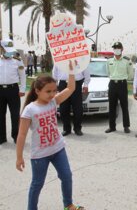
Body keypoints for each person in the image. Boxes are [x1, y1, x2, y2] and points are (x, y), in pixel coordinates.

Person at [16, 62, 85, 210]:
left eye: (54, 91)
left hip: (58, 149)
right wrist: (19, 157)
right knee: (37, 184)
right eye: (48, 91)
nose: (52, 94)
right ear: (37, 91)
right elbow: (21, 135)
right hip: (40, 155)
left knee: (66, 176)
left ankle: (68, 205)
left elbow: (71, 88)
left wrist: (71, 71)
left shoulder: (54, 101)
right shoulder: (30, 109)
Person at [0, 39, 26, 144]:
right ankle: (2, 137)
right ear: (1, 49)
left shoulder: (17, 60)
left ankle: (16, 136)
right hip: (0, 90)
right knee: (1, 114)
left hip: (13, 90)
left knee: (15, 114)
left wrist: (22, 89)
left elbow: (22, 76)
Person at [52, 65, 90, 136]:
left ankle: (77, 128)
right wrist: (55, 84)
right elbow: (55, 72)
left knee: (78, 109)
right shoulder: (59, 59)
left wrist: (86, 85)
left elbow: (86, 71)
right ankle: (66, 129)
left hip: (77, 83)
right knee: (63, 108)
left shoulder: (80, 58)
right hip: (63, 84)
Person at [105, 42, 133, 134]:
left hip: (122, 84)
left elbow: (130, 74)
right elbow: (107, 73)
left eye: (118, 47)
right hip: (112, 84)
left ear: (122, 49)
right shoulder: (109, 61)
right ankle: (112, 126)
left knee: (124, 106)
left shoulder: (127, 61)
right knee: (112, 106)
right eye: (115, 48)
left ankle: (126, 126)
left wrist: (122, 79)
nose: (116, 49)